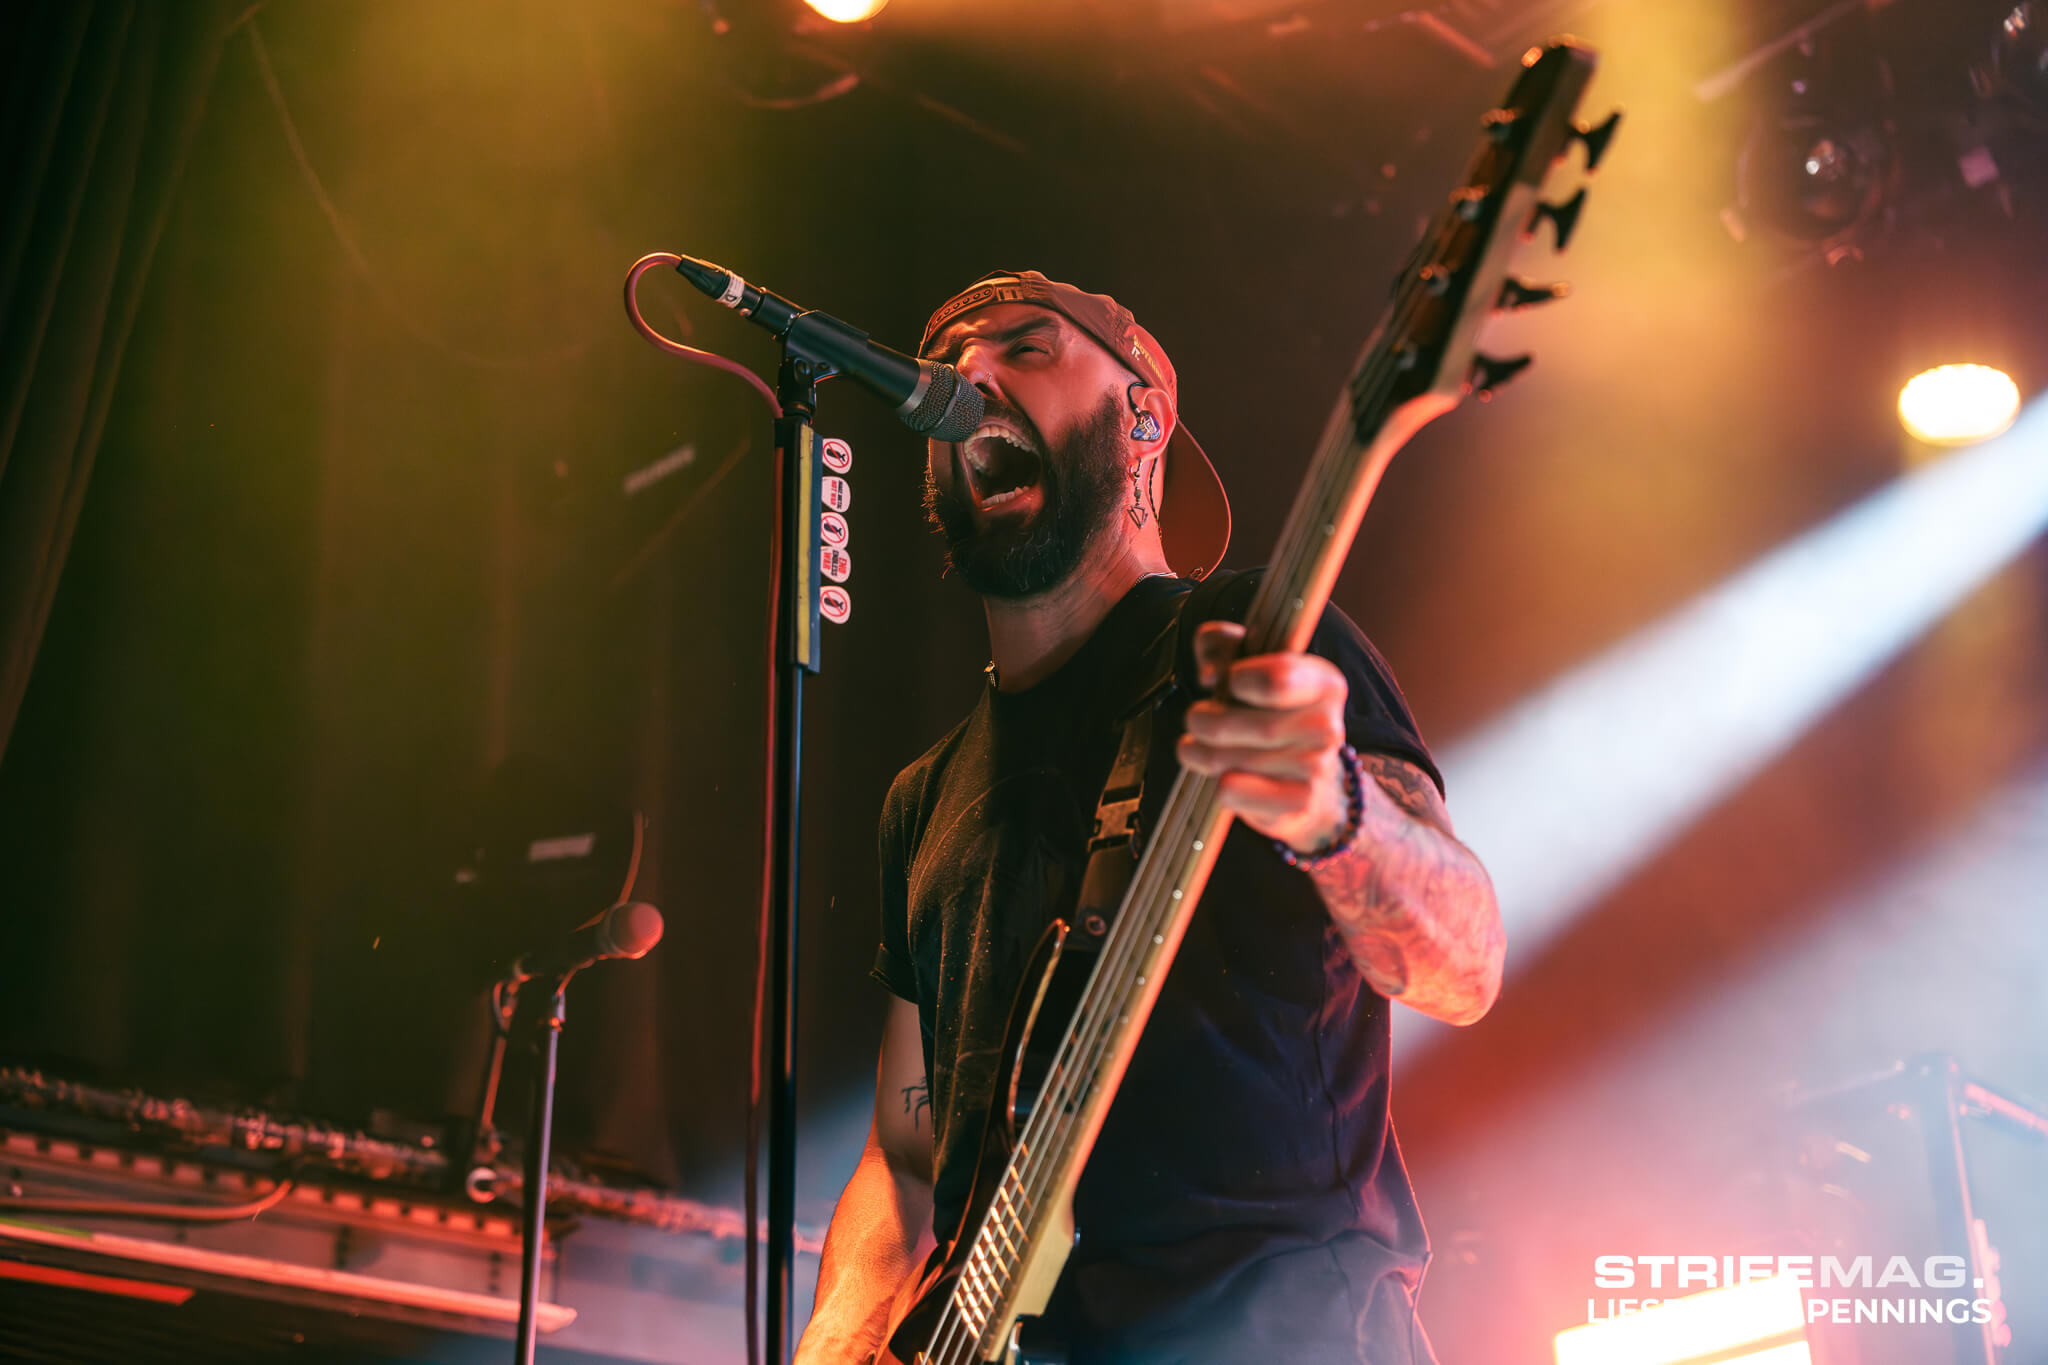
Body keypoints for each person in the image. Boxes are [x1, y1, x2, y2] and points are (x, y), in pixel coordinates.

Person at [793, 271, 1504, 1365]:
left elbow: (1463, 967)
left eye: (1026, 348)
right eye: (947, 364)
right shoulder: (921, 797)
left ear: (1143, 418)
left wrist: (1339, 815)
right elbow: (907, 1149)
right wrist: (839, 1340)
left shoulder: (1255, 641)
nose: (969, 376)